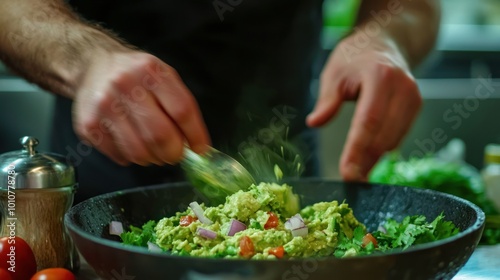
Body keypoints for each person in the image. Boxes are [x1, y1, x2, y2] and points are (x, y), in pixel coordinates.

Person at [0, 0, 440, 203]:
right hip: (100, 195)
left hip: (291, 182)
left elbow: (414, 6)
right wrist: (85, 59)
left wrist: (382, 36)